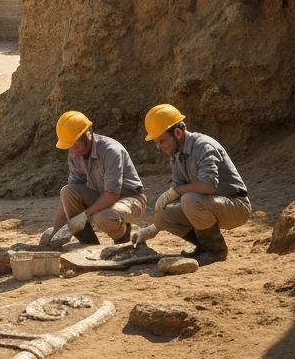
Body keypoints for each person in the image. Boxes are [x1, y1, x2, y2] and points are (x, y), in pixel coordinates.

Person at [134, 103, 252, 265]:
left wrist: (176, 190)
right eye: (156, 142)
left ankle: (215, 250)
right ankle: (204, 247)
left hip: (236, 206)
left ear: (177, 132)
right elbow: (177, 193)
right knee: (164, 215)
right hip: (207, 205)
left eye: (162, 141)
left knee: (189, 199)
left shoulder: (203, 146)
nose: (159, 147)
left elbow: (208, 186)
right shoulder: (176, 155)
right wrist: (152, 229)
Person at [40, 110, 147, 248]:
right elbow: (69, 195)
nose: (72, 151)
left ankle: (122, 239)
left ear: (87, 135)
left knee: (103, 217)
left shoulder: (110, 151)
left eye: (75, 145)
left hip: (130, 199)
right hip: (103, 197)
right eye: (69, 146)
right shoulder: (75, 154)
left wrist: (84, 215)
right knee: (67, 191)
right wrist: (56, 231)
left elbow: (112, 195)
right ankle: (88, 244)